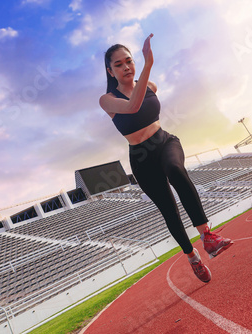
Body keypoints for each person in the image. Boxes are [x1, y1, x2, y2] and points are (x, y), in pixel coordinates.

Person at [99, 33, 232, 283]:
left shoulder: (150, 86)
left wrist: (146, 68)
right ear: (110, 71)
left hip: (164, 141)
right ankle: (192, 256)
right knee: (169, 211)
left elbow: (144, 98)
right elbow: (133, 107)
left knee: (176, 169)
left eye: (129, 60)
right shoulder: (107, 100)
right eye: (119, 64)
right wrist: (148, 63)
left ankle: (208, 237)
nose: (126, 66)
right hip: (141, 157)